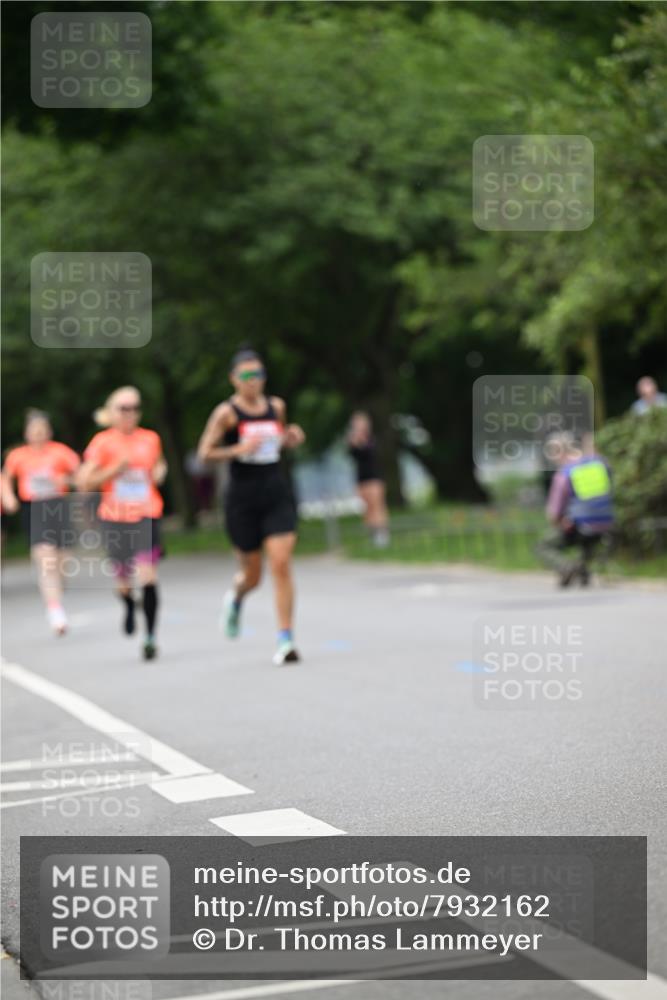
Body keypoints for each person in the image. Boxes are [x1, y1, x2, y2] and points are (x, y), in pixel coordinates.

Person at [197, 348, 305, 665]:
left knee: (281, 563)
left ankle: (285, 639)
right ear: (233, 379)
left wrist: (290, 438)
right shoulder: (226, 413)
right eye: (246, 376)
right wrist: (237, 449)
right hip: (242, 498)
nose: (253, 381)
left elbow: (279, 439)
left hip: (275, 491)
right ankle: (237, 597)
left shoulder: (276, 406)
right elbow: (205, 452)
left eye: (258, 374)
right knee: (252, 575)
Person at [77, 387, 167, 660]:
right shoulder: (102, 442)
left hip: (146, 513)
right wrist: (114, 470)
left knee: (148, 575)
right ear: (111, 412)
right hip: (115, 518)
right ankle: (128, 603)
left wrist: (159, 472)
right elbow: (84, 482)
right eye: (123, 408)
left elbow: (160, 465)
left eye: (134, 408)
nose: (129, 413)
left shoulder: (150, 438)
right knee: (124, 581)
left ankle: (150, 637)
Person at [1, 410, 80, 635]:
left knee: (63, 561)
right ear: (27, 433)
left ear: (49, 431)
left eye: (42, 430)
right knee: (45, 559)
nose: (38, 434)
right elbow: (6, 478)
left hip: (59, 506)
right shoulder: (18, 456)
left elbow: (82, 475)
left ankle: (57, 591)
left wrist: (65, 479)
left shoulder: (60, 452)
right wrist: (8, 497)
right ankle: (55, 611)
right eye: (34, 431)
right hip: (34, 509)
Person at [536, 432, 614, 587]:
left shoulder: (565, 473)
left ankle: (566, 566)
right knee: (586, 541)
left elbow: (554, 511)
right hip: (607, 520)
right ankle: (582, 570)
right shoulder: (600, 464)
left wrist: (558, 520)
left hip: (580, 524)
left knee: (543, 546)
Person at [347, 411, 390, 548]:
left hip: (374, 477)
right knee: (367, 508)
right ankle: (372, 534)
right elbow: (353, 455)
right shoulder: (352, 441)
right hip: (361, 478)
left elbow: (369, 453)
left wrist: (359, 442)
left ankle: (382, 534)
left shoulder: (371, 439)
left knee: (377, 505)